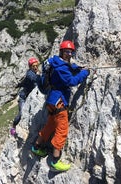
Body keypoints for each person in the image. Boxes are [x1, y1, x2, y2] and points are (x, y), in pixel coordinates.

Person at [31, 40, 90, 172]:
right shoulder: (62, 68)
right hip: (59, 102)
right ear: (62, 52)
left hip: (51, 100)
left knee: (50, 125)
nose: (69, 54)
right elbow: (71, 81)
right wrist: (84, 73)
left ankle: (36, 147)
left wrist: (77, 68)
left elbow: (66, 68)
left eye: (71, 52)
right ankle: (55, 161)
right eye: (67, 51)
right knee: (62, 129)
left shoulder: (54, 61)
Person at [10, 57, 39, 136]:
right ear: (30, 67)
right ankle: (13, 126)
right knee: (22, 113)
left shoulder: (36, 73)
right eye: (34, 66)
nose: (36, 67)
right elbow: (34, 79)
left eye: (37, 65)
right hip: (24, 97)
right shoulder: (30, 74)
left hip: (31, 98)